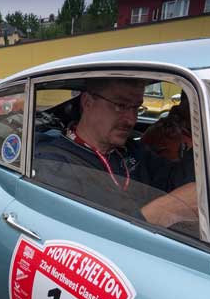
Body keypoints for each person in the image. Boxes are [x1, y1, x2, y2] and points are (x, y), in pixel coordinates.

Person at [34, 78, 198, 230]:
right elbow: (82, 240)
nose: (131, 119)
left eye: (136, 108)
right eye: (120, 105)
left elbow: (175, 179)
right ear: (88, 102)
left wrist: (201, 134)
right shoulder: (54, 164)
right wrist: (164, 211)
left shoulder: (133, 150)